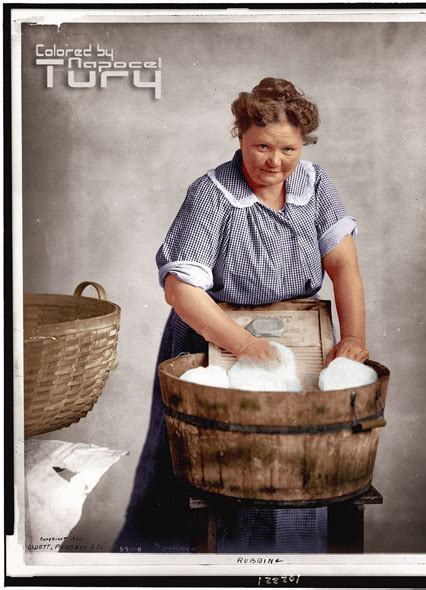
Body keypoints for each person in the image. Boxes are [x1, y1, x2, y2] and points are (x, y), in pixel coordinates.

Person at [113, 77, 368, 554]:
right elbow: (181, 289)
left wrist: (352, 337)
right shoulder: (212, 192)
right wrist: (247, 347)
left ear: (303, 144)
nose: (274, 161)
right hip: (214, 341)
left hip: (299, 338)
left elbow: (344, 265)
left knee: (292, 462)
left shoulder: (315, 185)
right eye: (262, 146)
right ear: (241, 135)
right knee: (217, 471)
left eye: (288, 149)